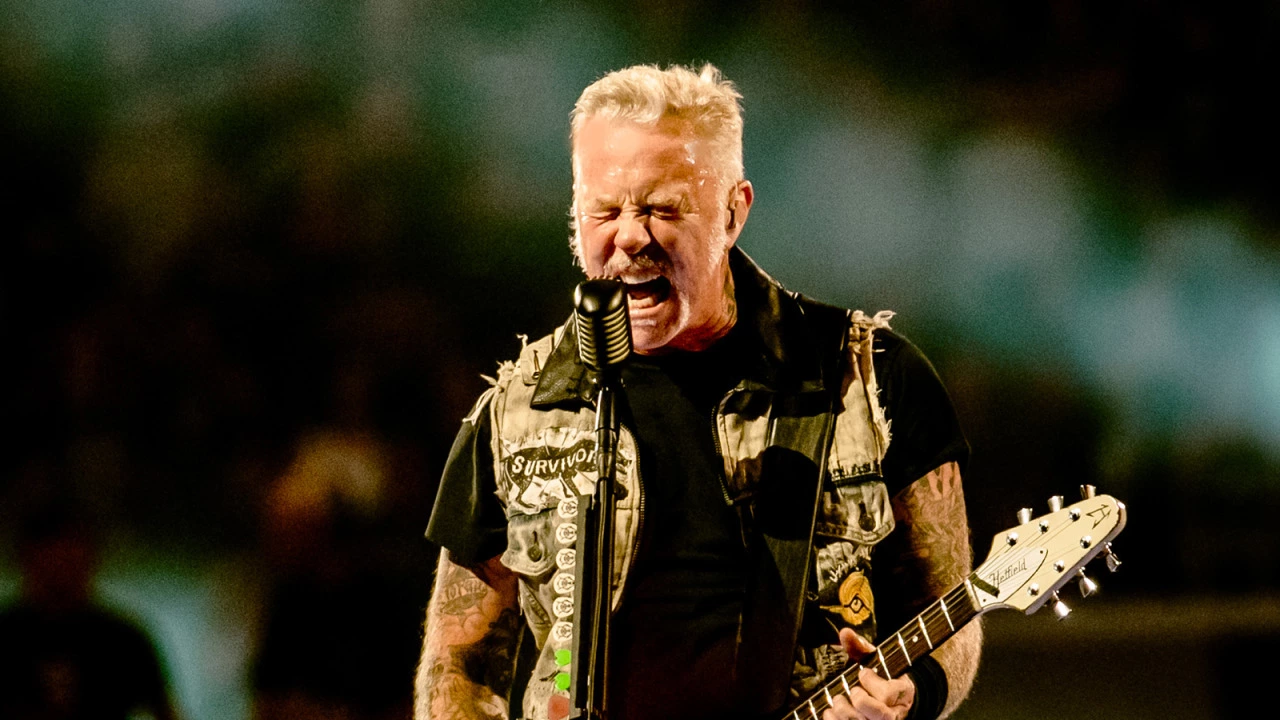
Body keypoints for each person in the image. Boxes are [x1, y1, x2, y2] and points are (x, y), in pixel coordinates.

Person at [415, 63, 982, 720]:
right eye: (604, 209)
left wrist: (911, 696)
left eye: (662, 208)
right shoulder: (518, 408)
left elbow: (950, 608)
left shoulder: (868, 378)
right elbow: (458, 664)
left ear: (734, 211)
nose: (631, 236)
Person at [0, 499, 179, 720]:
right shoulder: (124, 638)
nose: (60, 569)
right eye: (51, 557)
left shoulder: (125, 641)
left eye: (69, 557)